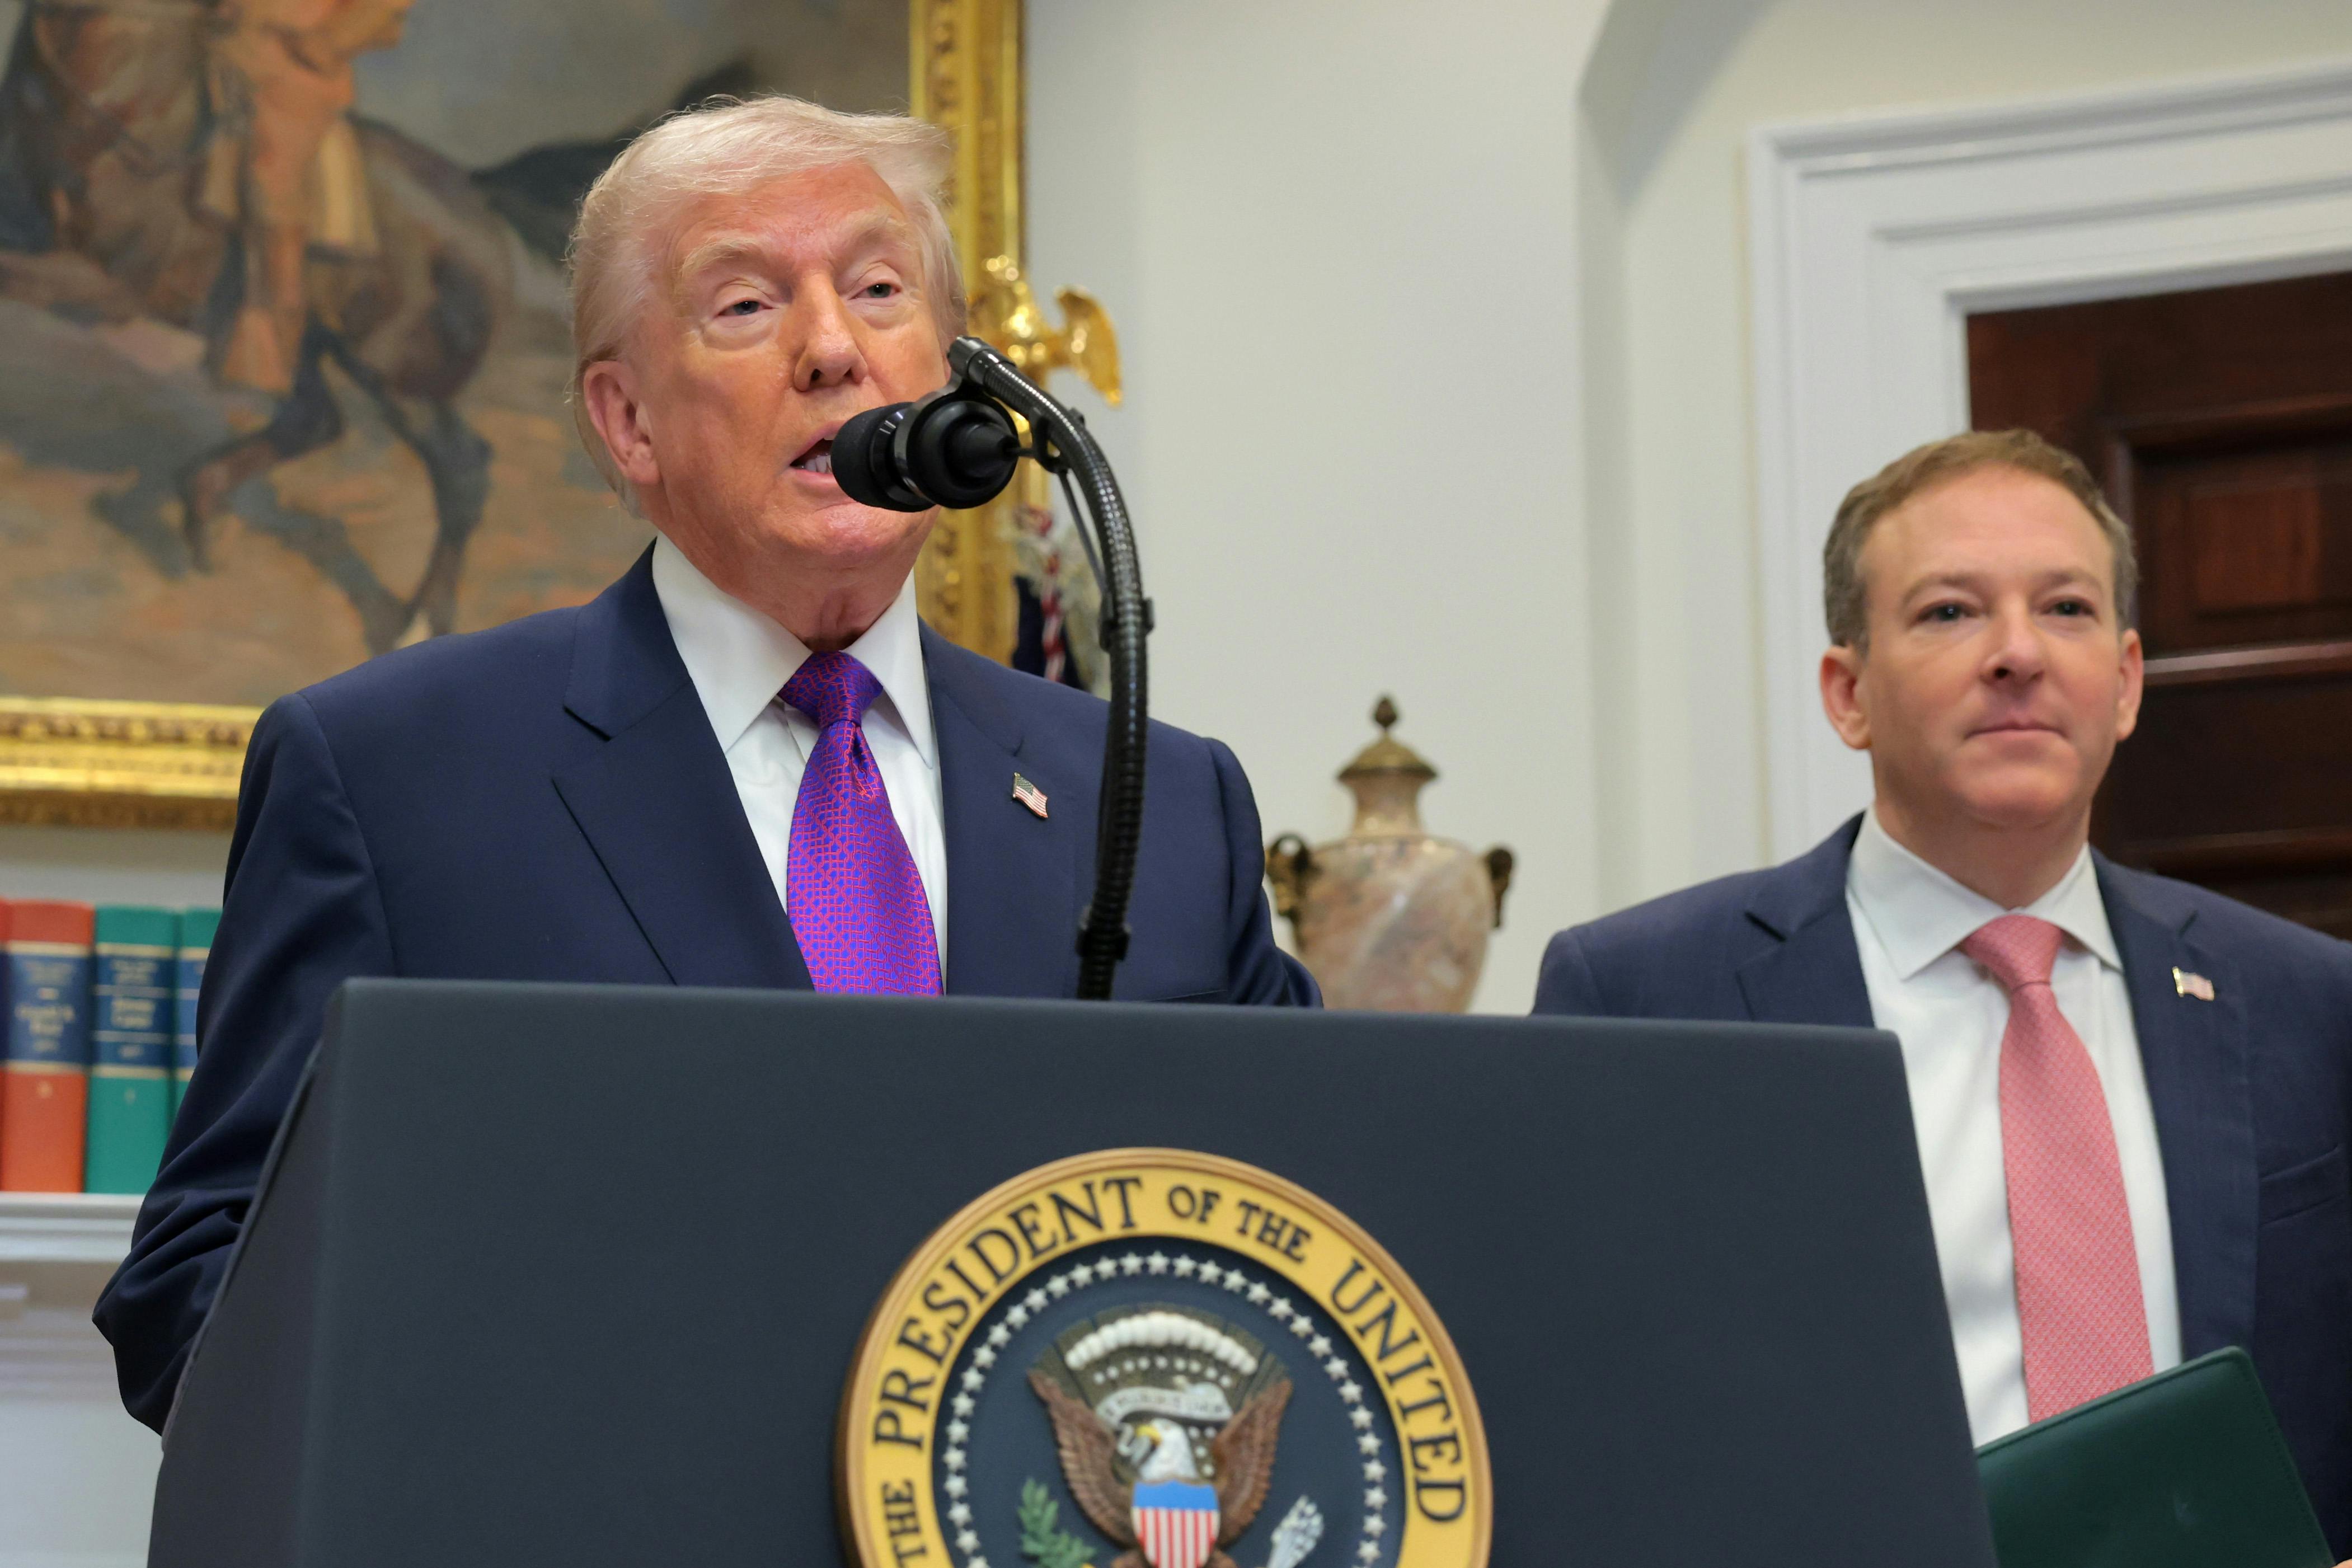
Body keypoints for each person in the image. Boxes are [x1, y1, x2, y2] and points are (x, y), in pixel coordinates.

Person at [96, 96, 1316, 1430]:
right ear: (626, 423)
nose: (834, 348)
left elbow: (1313, 1241)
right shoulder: (392, 778)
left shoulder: (1162, 801)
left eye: (877, 287)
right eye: (743, 306)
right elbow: (199, 1294)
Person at [1532, 430, 2352, 1552]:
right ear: (1847, 691)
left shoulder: (2308, 1001)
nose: (2016, 653)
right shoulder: (1646, 995)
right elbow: (1571, 1414)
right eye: (1948, 612)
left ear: (2122, 684)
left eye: (2063, 608)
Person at [200, 0, 417, 392]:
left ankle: (268, 349)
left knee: (273, 184)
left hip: (293, 76)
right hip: (222, 51)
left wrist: (314, 40)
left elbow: (378, 14)